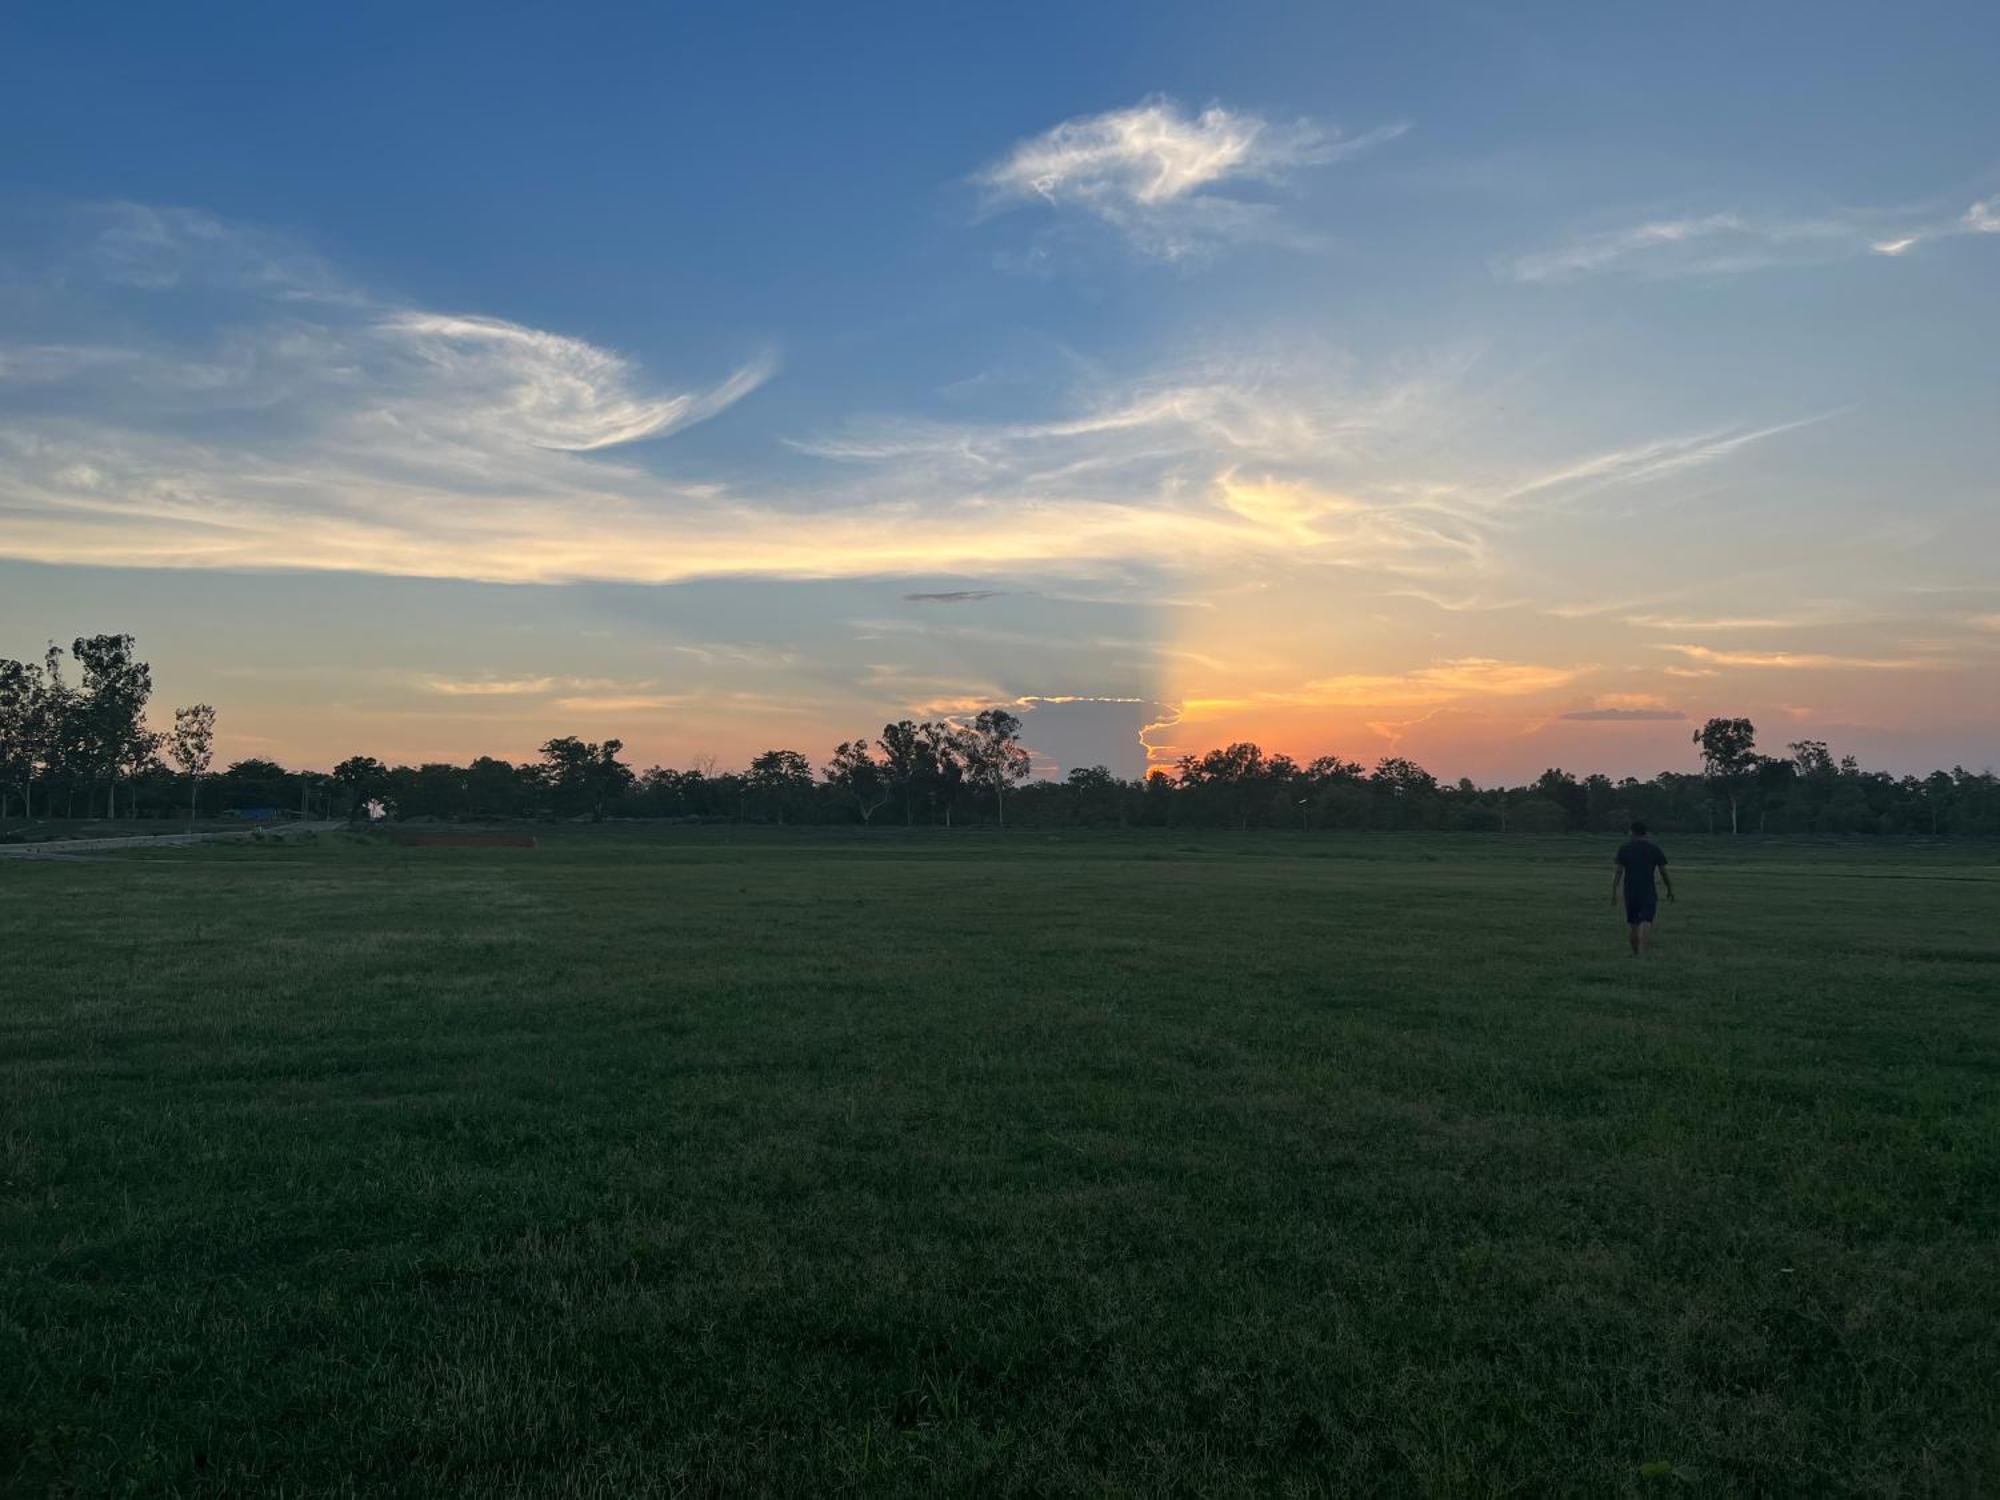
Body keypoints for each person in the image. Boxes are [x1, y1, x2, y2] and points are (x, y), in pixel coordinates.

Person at [1611, 819, 1673, 956]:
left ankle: (1635, 953)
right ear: (1645, 833)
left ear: (1632, 832)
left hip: (1630, 891)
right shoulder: (1653, 849)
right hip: (1648, 890)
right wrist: (1669, 888)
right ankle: (1643, 952)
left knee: (1633, 923)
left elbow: (1619, 872)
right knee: (1646, 920)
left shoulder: (1624, 848)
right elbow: (1663, 871)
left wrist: (1614, 891)